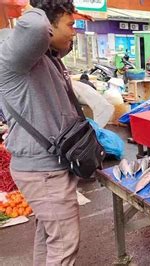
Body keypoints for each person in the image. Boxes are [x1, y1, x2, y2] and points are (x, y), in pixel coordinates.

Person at [0, 1, 91, 264]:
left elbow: (57, 40)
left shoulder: (42, 57)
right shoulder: (13, 57)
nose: (74, 32)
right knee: (64, 244)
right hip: (44, 172)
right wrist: (39, 5)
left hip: (45, 168)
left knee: (49, 237)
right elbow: (36, 25)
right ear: (48, 27)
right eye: (70, 25)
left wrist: (63, 15)